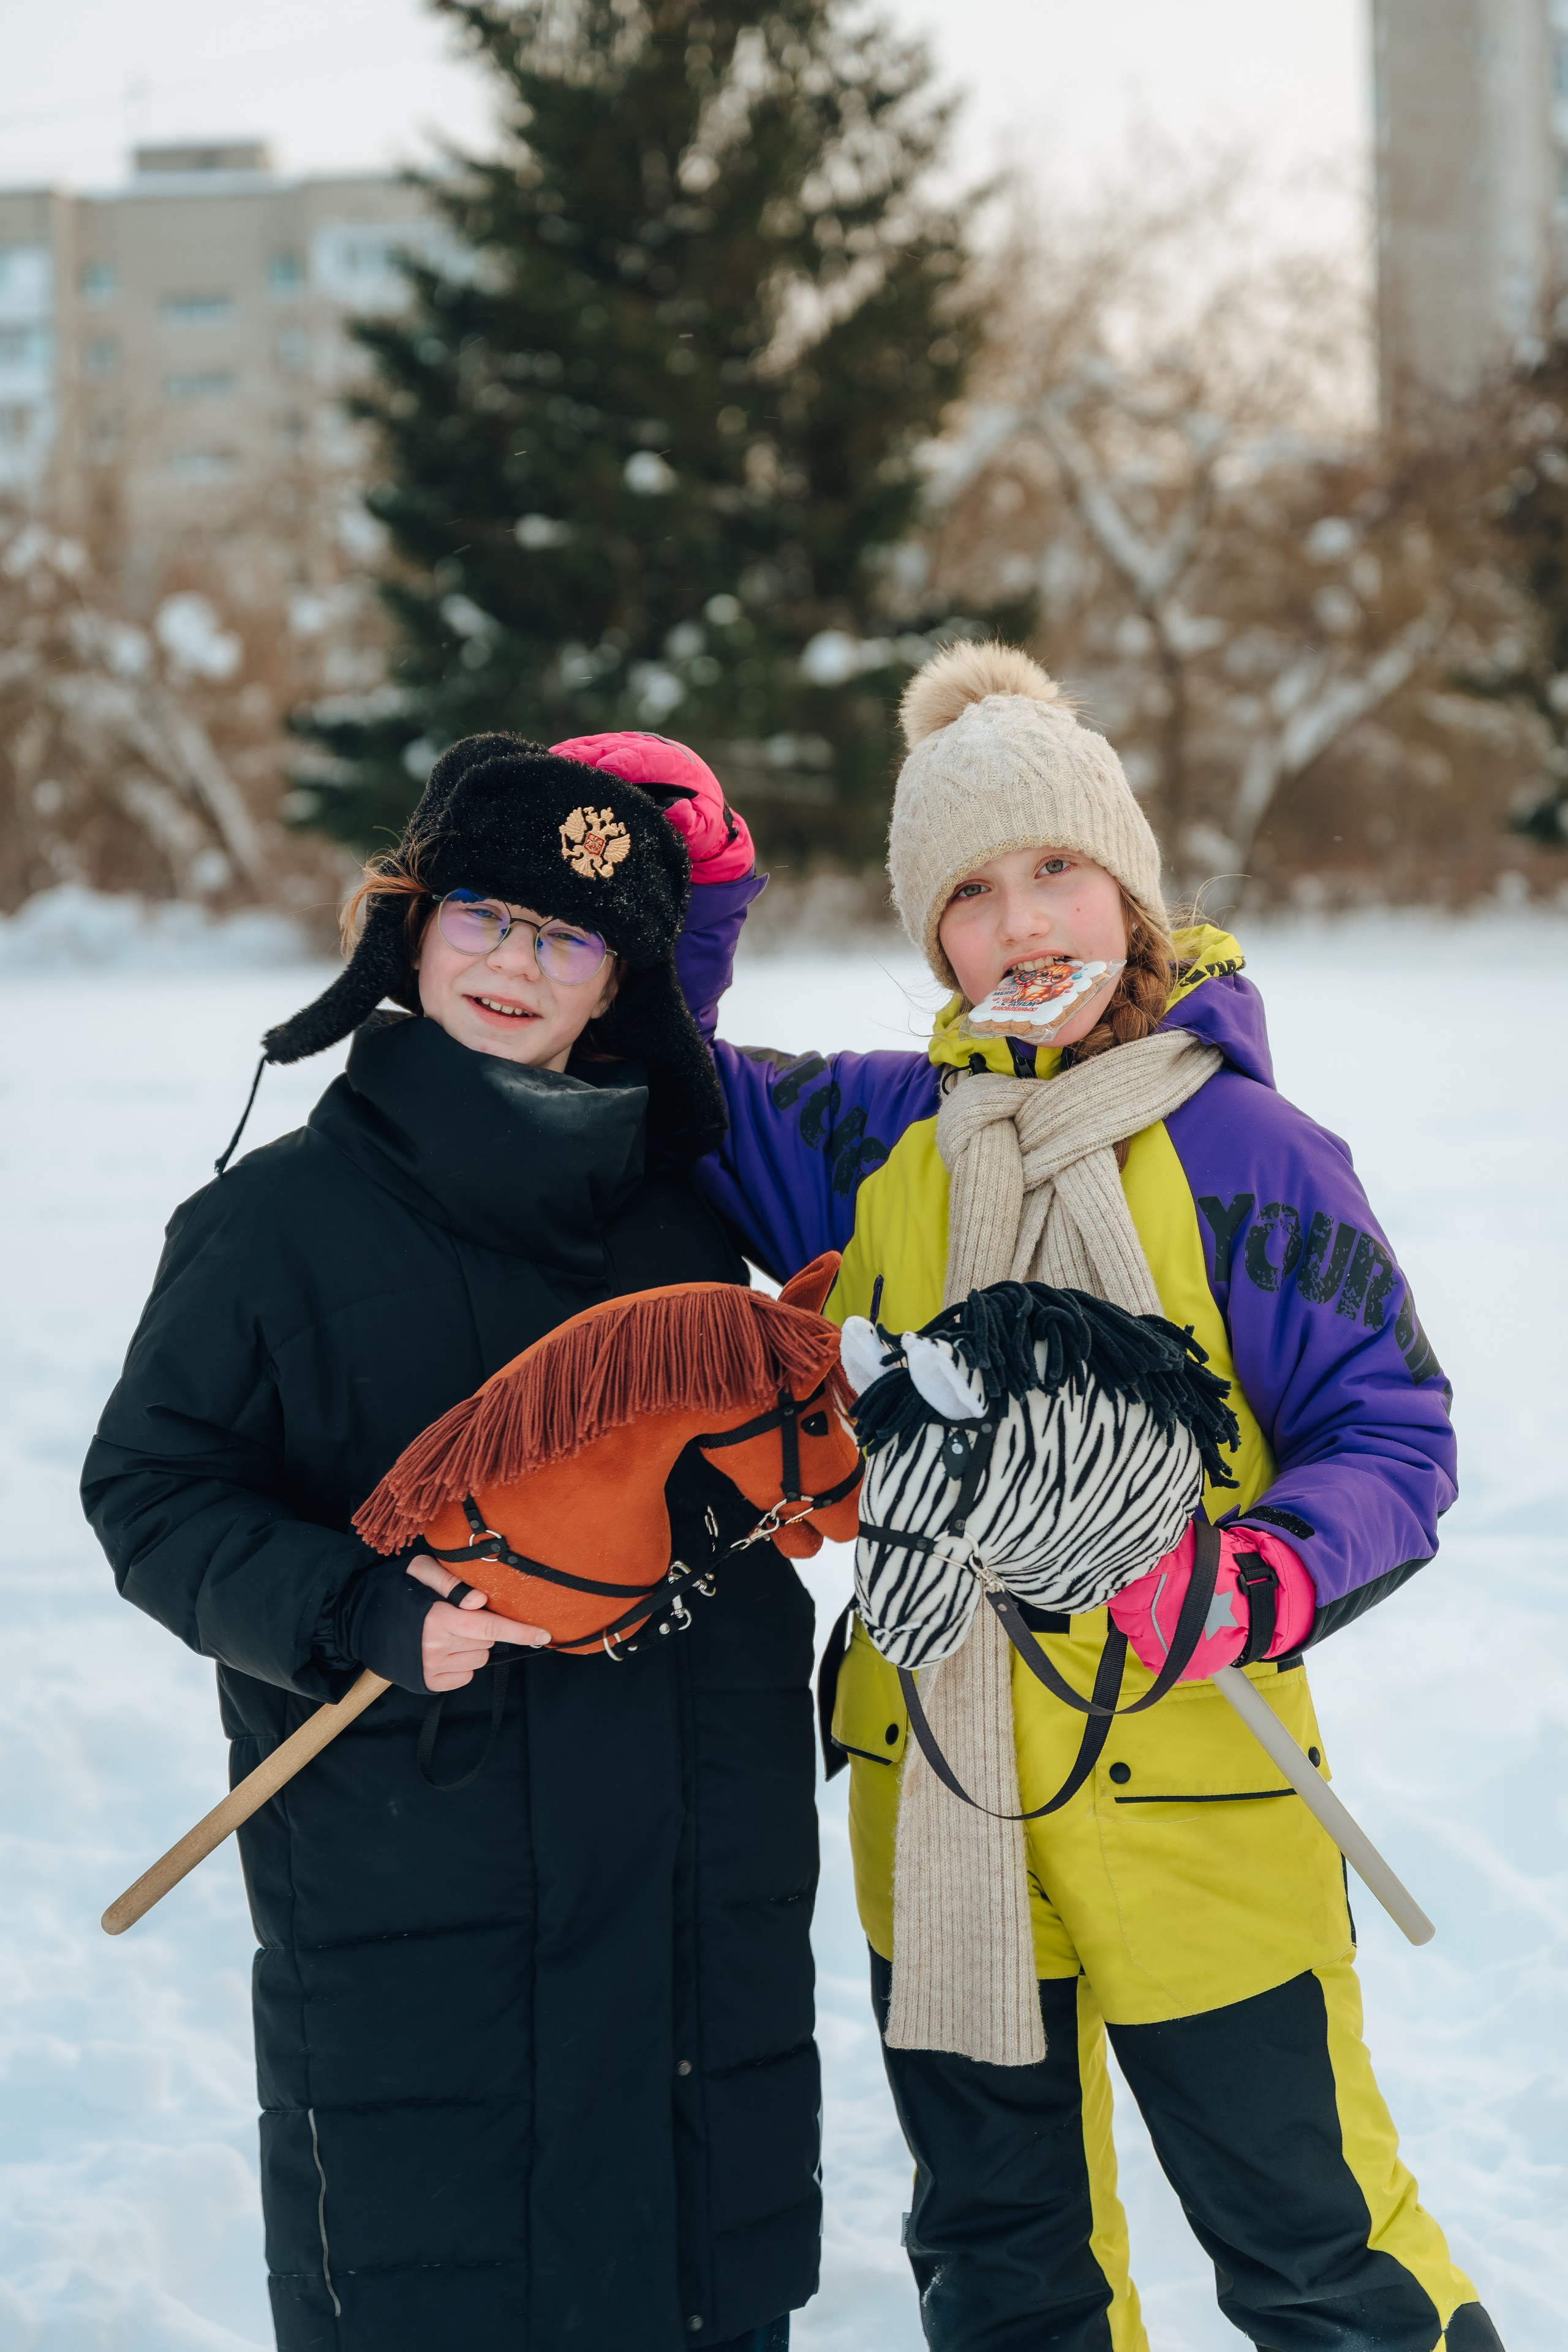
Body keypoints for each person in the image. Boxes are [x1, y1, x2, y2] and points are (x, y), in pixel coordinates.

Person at [565, 648, 1502, 2351]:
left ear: (1131, 891)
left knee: (1312, 2247)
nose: (1026, 924)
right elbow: (664, 1083)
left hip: (1204, 1784)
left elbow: (1393, 1439)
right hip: (938, 1792)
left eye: (1058, 869)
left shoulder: (1253, 1155)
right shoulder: (878, 1131)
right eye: (975, 894)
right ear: (936, 937)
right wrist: (687, 902)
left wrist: (1252, 1578)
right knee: (1003, 2265)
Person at [82, 736, 813, 2352]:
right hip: (423, 1868)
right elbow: (149, 1490)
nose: (516, 963)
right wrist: (350, 1604)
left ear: (618, 986)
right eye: (487, 913)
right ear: (408, 928)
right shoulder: (273, 1226)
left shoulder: (689, 1229)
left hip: (698, 1882)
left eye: (569, 939)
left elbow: (745, 1476)